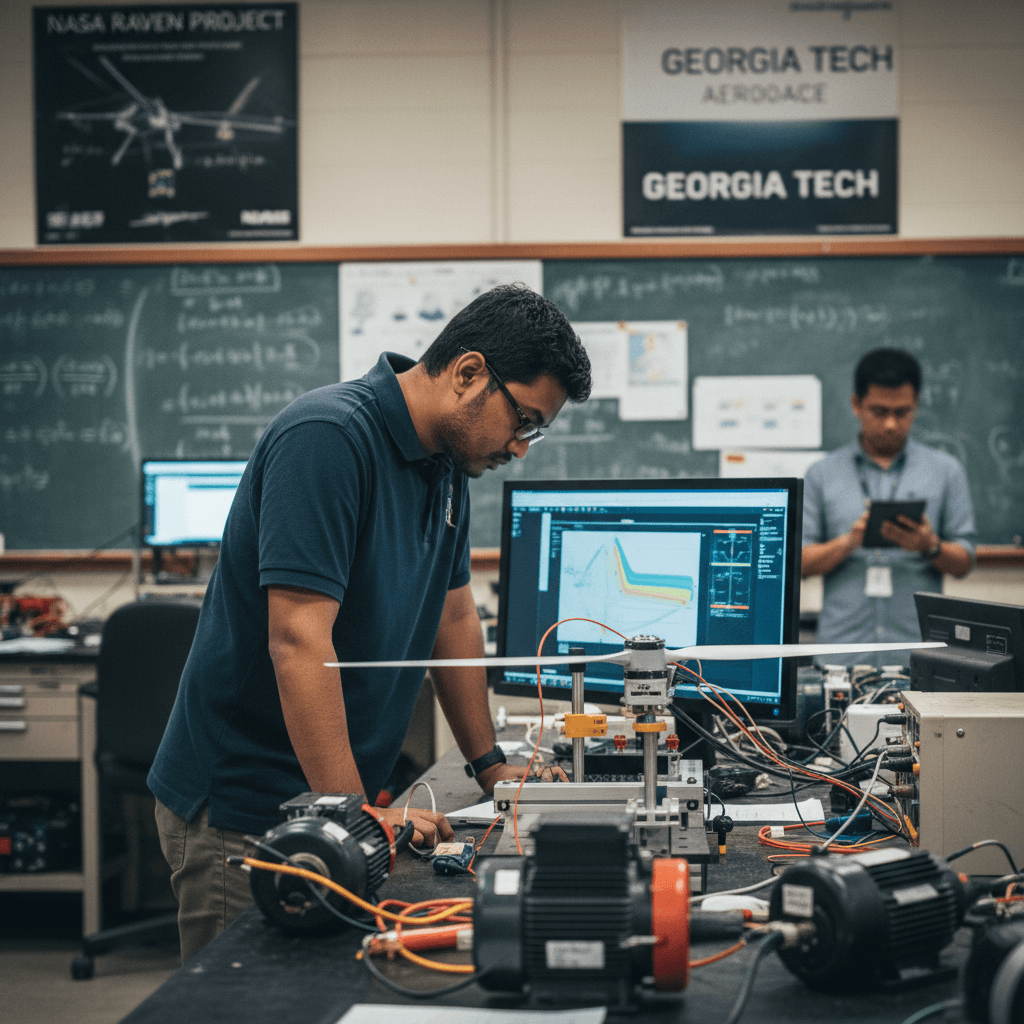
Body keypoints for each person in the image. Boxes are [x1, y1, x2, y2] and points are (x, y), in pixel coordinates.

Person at [147, 283, 592, 964]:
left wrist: (491, 768)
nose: (522, 447)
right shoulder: (327, 439)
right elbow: (298, 641)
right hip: (248, 808)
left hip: (326, 806)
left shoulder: (447, 464)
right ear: (470, 373)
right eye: (524, 421)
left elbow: (453, 613)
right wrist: (354, 814)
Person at [801, 348, 975, 663]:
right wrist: (849, 542)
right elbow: (798, 562)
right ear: (857, 404)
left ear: (917, 405)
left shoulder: (946, 471)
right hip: (841, 657)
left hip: (918, 657)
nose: (892, 424)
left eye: (903, 412)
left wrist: (930, 546)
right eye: (879, 411)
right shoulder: (821, 473)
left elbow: (964, 562)